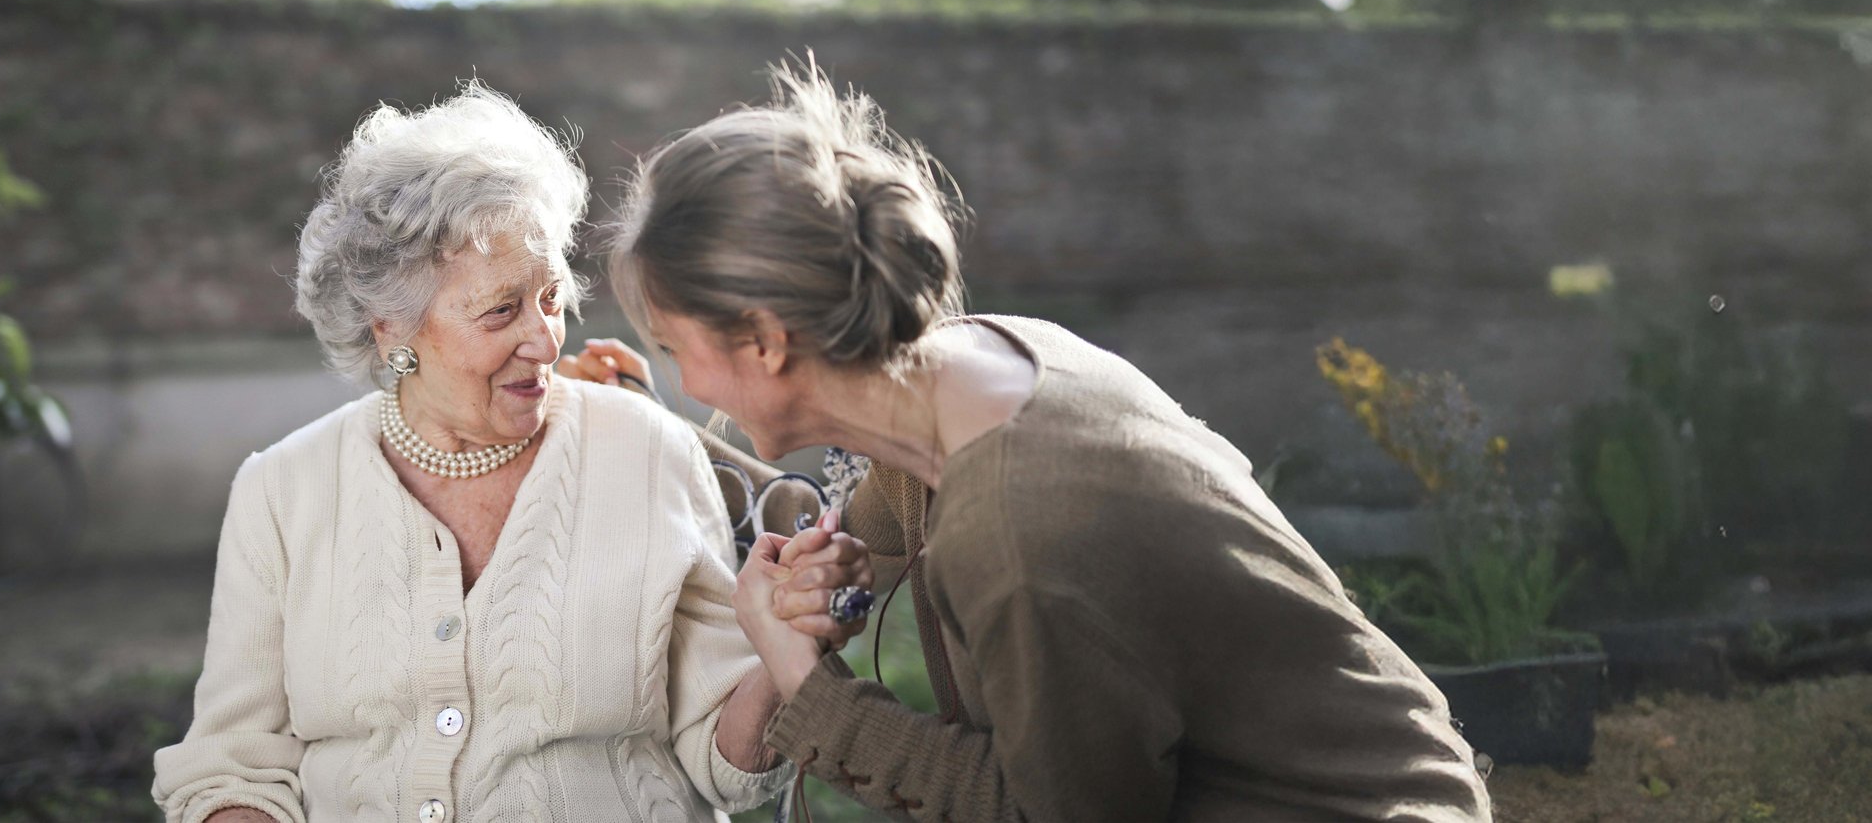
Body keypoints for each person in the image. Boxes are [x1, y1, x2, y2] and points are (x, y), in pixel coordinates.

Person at [581, 60, 1495, 821]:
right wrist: (819, 541)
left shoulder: (1020, 533)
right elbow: (879, 510)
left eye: (674, 351)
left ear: (767, 343)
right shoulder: (987, 362)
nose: (686, 383)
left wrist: (808, 689)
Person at [152, 83, 868, 823]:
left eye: (552, 298)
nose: (545, 339)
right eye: (501, 310)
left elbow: (729, 770)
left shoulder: (646, 451)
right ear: (390, 329)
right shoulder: (281, 490)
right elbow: (231, 767)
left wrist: (782, 652)